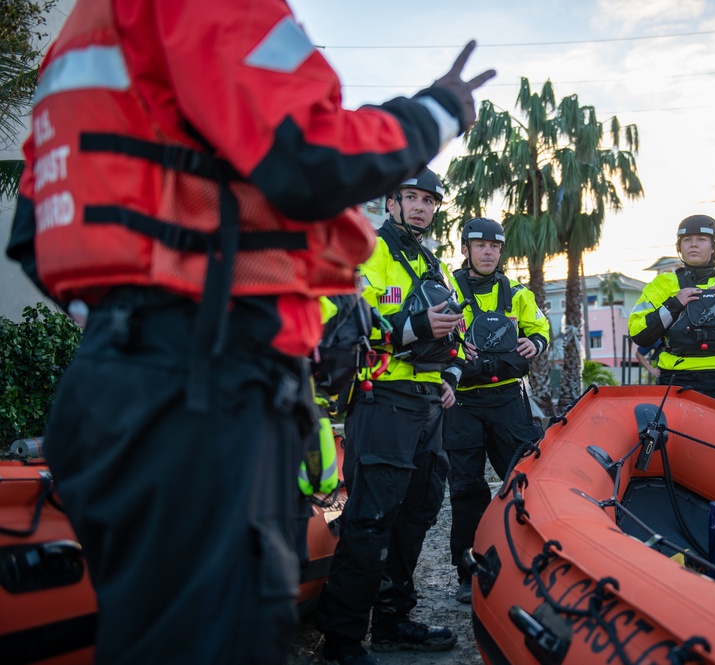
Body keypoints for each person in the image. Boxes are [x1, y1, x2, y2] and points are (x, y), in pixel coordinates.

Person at [4, 1, 494, 662]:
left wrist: (139, 315)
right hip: (207, 384)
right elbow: (311, 154)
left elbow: (33, 238)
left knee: (154, 634)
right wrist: (438, 110)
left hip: (112, 383)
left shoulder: (77, 42)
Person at [315, 169, 468, 665]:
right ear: (392, 202)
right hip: (382, 398)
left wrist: (450, 373)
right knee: (370, 519)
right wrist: (414, 327)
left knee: (416, 516)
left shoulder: (432, 263)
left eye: (430, 200)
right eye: (412, 198)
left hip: (428, 403)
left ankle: (392, 621)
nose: (422, 207)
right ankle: (341, 639)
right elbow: (342, 321)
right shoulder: (370, 251)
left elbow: (454, 335)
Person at [444, 217, 549, 604]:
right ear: (466, 249)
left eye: (495, 246)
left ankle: (528, 563)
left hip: (509, 402)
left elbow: (539, 327)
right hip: (463, 404)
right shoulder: (446, 287)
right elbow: (431, 332)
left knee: (523, 481)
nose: (488, 252)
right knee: (466, 489)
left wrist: (535, 343)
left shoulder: (517, 293)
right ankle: (468, 572)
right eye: (480, 245)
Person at [628, 215, 715, 406]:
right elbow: (638, 333)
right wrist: (673, 304)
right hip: (677, 381)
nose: (693, 245)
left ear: (713, 246)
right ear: (679, 247)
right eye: (687, 240)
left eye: (701, 240)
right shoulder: (661, 285)